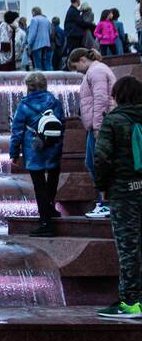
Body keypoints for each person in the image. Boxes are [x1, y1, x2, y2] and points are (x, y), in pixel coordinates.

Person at [93, 75, 142, 318]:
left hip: (124, 191)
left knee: (129, 247)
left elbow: (101, 158)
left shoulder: (114, 121)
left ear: (118, 96)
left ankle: (131, 302)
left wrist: (101, 187)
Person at [9, 72, 64, 238]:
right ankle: (50, 209)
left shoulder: (25, 105)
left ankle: (46, 223)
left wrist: (14, 153)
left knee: (39, 185)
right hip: (53, 146)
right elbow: (62, 122)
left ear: (29, 87)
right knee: (52, 179)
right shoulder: (54, 101)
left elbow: (17, 130)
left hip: (34, 149)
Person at [71, 47, 116, 219]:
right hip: (97, 126)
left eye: (76, 67)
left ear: (83, 59)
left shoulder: (96, 71)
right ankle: (104, 203)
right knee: (93, 163)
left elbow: (101, 100)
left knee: (97, 164)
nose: (77, 71)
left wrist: (98, 126)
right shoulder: (96, 70)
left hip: (100, 126)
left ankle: (105, 204)